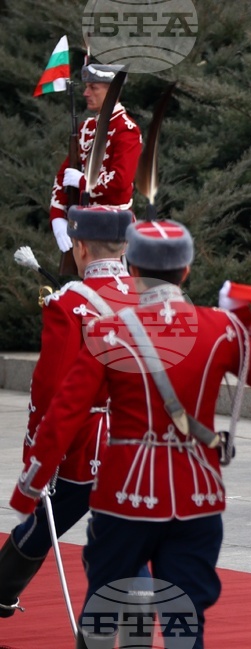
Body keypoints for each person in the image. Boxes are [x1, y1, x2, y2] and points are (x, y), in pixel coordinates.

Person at [8, 219, 251, 648]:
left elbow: (64, 410)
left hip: (126, 494)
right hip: (197, 494)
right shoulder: (220, 327)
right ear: (188, 271)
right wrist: (243, 315)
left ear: (132, 268)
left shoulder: (108, 331)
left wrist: (29, 488)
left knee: (105, 612)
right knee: (183, 621)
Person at [0, 206, 134, 619]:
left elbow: (53, 387)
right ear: (126, 246)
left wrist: (36, 455)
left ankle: (4, 589)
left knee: (47, 519)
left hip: (89, 443)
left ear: (79, 247)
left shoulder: (70, 303)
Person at [50, 64, 141, 256]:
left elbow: (120, 180)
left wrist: (83, 182)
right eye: (86, 87)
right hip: (85, 225)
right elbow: (63, 175)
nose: (85, 93)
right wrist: (57, 216)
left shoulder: (126, 129)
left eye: (93, 88)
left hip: (113, 229)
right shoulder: (86, 127)